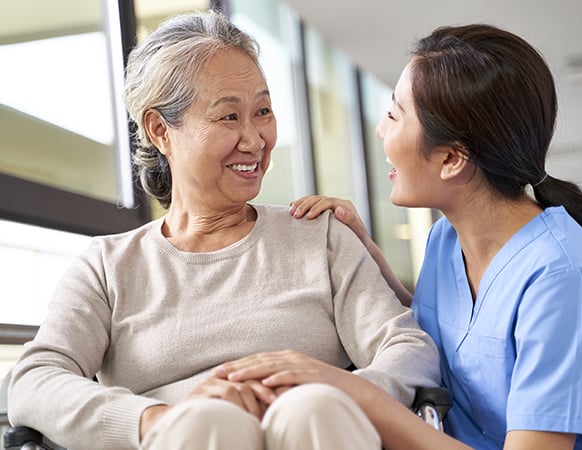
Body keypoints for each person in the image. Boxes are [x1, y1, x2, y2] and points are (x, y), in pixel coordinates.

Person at [7, 10, 442, 450]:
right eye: (229, 117)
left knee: (312, 407)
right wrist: (155, 418)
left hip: (317, 427)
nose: (254, 140)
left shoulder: (319, 235)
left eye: (263, 111)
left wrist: (339, 387)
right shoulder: (108, 266)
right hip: (193, 436)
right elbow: (35, 379)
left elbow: (408, 348)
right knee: (209, 424)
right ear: (160, 130)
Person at [218, 23, 582, 450]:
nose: (380, 131)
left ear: (450, 158)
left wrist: (356, 391)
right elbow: (455, 333)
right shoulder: (448, 239)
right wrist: (365, 252)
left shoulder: (563, 282)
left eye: (393, 114)